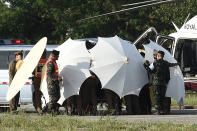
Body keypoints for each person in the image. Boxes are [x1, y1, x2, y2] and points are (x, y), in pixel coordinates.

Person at [144, 50, 178, 115]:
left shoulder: (155, 63)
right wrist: (177, 64)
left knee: (157, 97)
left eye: (156, 55)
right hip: (163, 83)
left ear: (158, 56)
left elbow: (150, 71)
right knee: (162, 96)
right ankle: (162, 110)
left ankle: (158, 111)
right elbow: (170, 68)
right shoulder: (166, 63)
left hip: (156, 83)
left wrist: (146, 65)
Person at [46, 50, 62, 115]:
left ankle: (54, 110)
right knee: (53, 97)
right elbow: (49, 74)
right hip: (51, 83)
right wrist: (56, 78)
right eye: (57, 56)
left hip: (55, 82)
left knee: (58, 96)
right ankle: (49, 111)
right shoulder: (50, 62)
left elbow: (54, 72)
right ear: (53, 56)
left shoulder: (54, 62)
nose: (58, 57)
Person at [32, 49, 47, 114]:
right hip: (43, 80)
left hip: (37, 80)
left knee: (37, 95)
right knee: (44, 94)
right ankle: (42, 108)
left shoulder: (35, 61)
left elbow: (32, 72)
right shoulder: (46, 61)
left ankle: (39, 107)